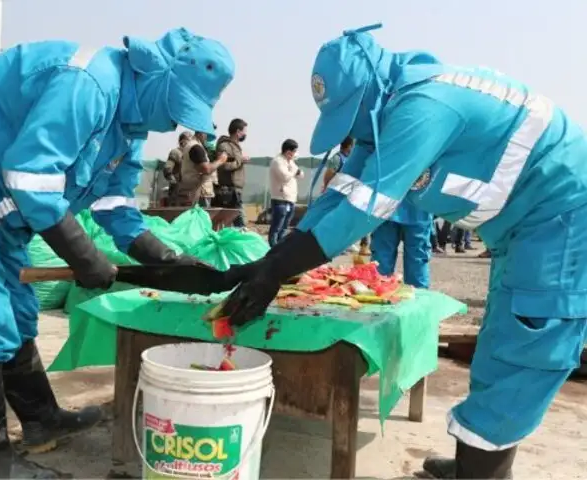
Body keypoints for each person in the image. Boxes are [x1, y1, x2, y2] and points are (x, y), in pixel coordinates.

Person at [219, 24, 587, 479]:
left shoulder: (425, 105)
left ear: (370, 90)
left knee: (528, 341)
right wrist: (269, 263)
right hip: (517, 228)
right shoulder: (384, 112)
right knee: (500, 333)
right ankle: (474, 462)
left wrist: (277, 271)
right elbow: (339, 197)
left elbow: (365, 207)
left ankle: (482, 474)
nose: (351, 134)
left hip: (562, 214)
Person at [0, 27, 253, 478]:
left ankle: (40, 420)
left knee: (15, 309)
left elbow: (116, 203)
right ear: (156, 76)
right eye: (172, 107)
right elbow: (30, 176)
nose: (170, 124)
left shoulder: (126, 126)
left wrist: (162, 258)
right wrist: (83, 257)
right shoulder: (88, 84)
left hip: (0, 209)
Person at [321, 136, 370, 255]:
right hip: (340, 194)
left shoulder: (353, 159)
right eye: (353, 146)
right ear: (349, 146)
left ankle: (362, 245)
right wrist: (327, 188)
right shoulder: (337, 159)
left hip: (353, 194)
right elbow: (328, 175)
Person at [370, 199, 433, 288]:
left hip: (387, 200)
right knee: (417, 254)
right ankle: (418, 296)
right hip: (419, 200)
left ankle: (378, 293)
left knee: (382, 255)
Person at [174, 131, 227, 207]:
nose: (206, 137)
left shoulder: (192, 146)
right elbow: (206, 169)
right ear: (201, 132)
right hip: (199, 193)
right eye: (206, 133)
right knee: (200, 217)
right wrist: (221, 160)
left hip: (193, 191)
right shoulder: (196, 147)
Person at [213, 118, 250, 228]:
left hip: (235, 191)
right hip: (229, 191)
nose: (245, 134)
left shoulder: (235, 146)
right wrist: (240, 161)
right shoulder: (225, 146)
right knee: (240, 223)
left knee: (235, 223)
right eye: (244, 131)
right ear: (238, 132)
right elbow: (223, 166)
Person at [268, 139, 303, 247]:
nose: (295, 154)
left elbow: (301, 174)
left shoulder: (291, 162)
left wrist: (294, 169)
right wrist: (294, 170)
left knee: (284, 226)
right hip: (280, 198)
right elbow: (285, 177)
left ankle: (279, 246)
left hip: (290, 198)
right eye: (294, 151)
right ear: (288, 152)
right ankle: (273, 247)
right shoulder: (277, 161)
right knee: (277, 226)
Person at [157, 131, 192, 206]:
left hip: (189, 192)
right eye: (189, 140)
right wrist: (175, 183)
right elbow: (167, 169)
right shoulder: (176, 152)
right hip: (177, 193)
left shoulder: (190, 154)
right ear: (182, 141)